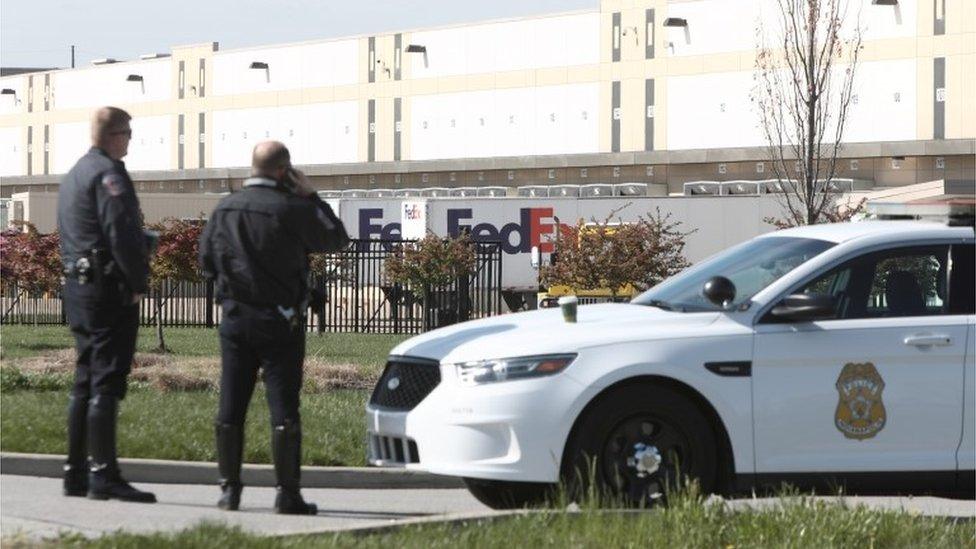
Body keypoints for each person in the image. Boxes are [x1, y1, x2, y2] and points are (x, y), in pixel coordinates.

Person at [199, 141, 348, 514]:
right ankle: (287, 494)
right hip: (280, 320)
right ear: (285, 172)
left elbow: (205, 260)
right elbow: (336, 238)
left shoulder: (225, 208)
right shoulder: (292, 208)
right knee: (283, 409)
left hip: (235, 319)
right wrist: (312, 196)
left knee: (231, 406)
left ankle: (229, 491)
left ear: (252, 168)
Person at [57, 106, 156, 503]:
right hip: (107, 290)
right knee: (106, 381)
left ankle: (75, 472)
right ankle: (103, 475)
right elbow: (120, 232)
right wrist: (137, 281)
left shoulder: (77, 172)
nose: (129, 140)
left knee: (85, 379)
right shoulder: (109, 174)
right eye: (127, 133)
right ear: (113, 135)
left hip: (79, 286)